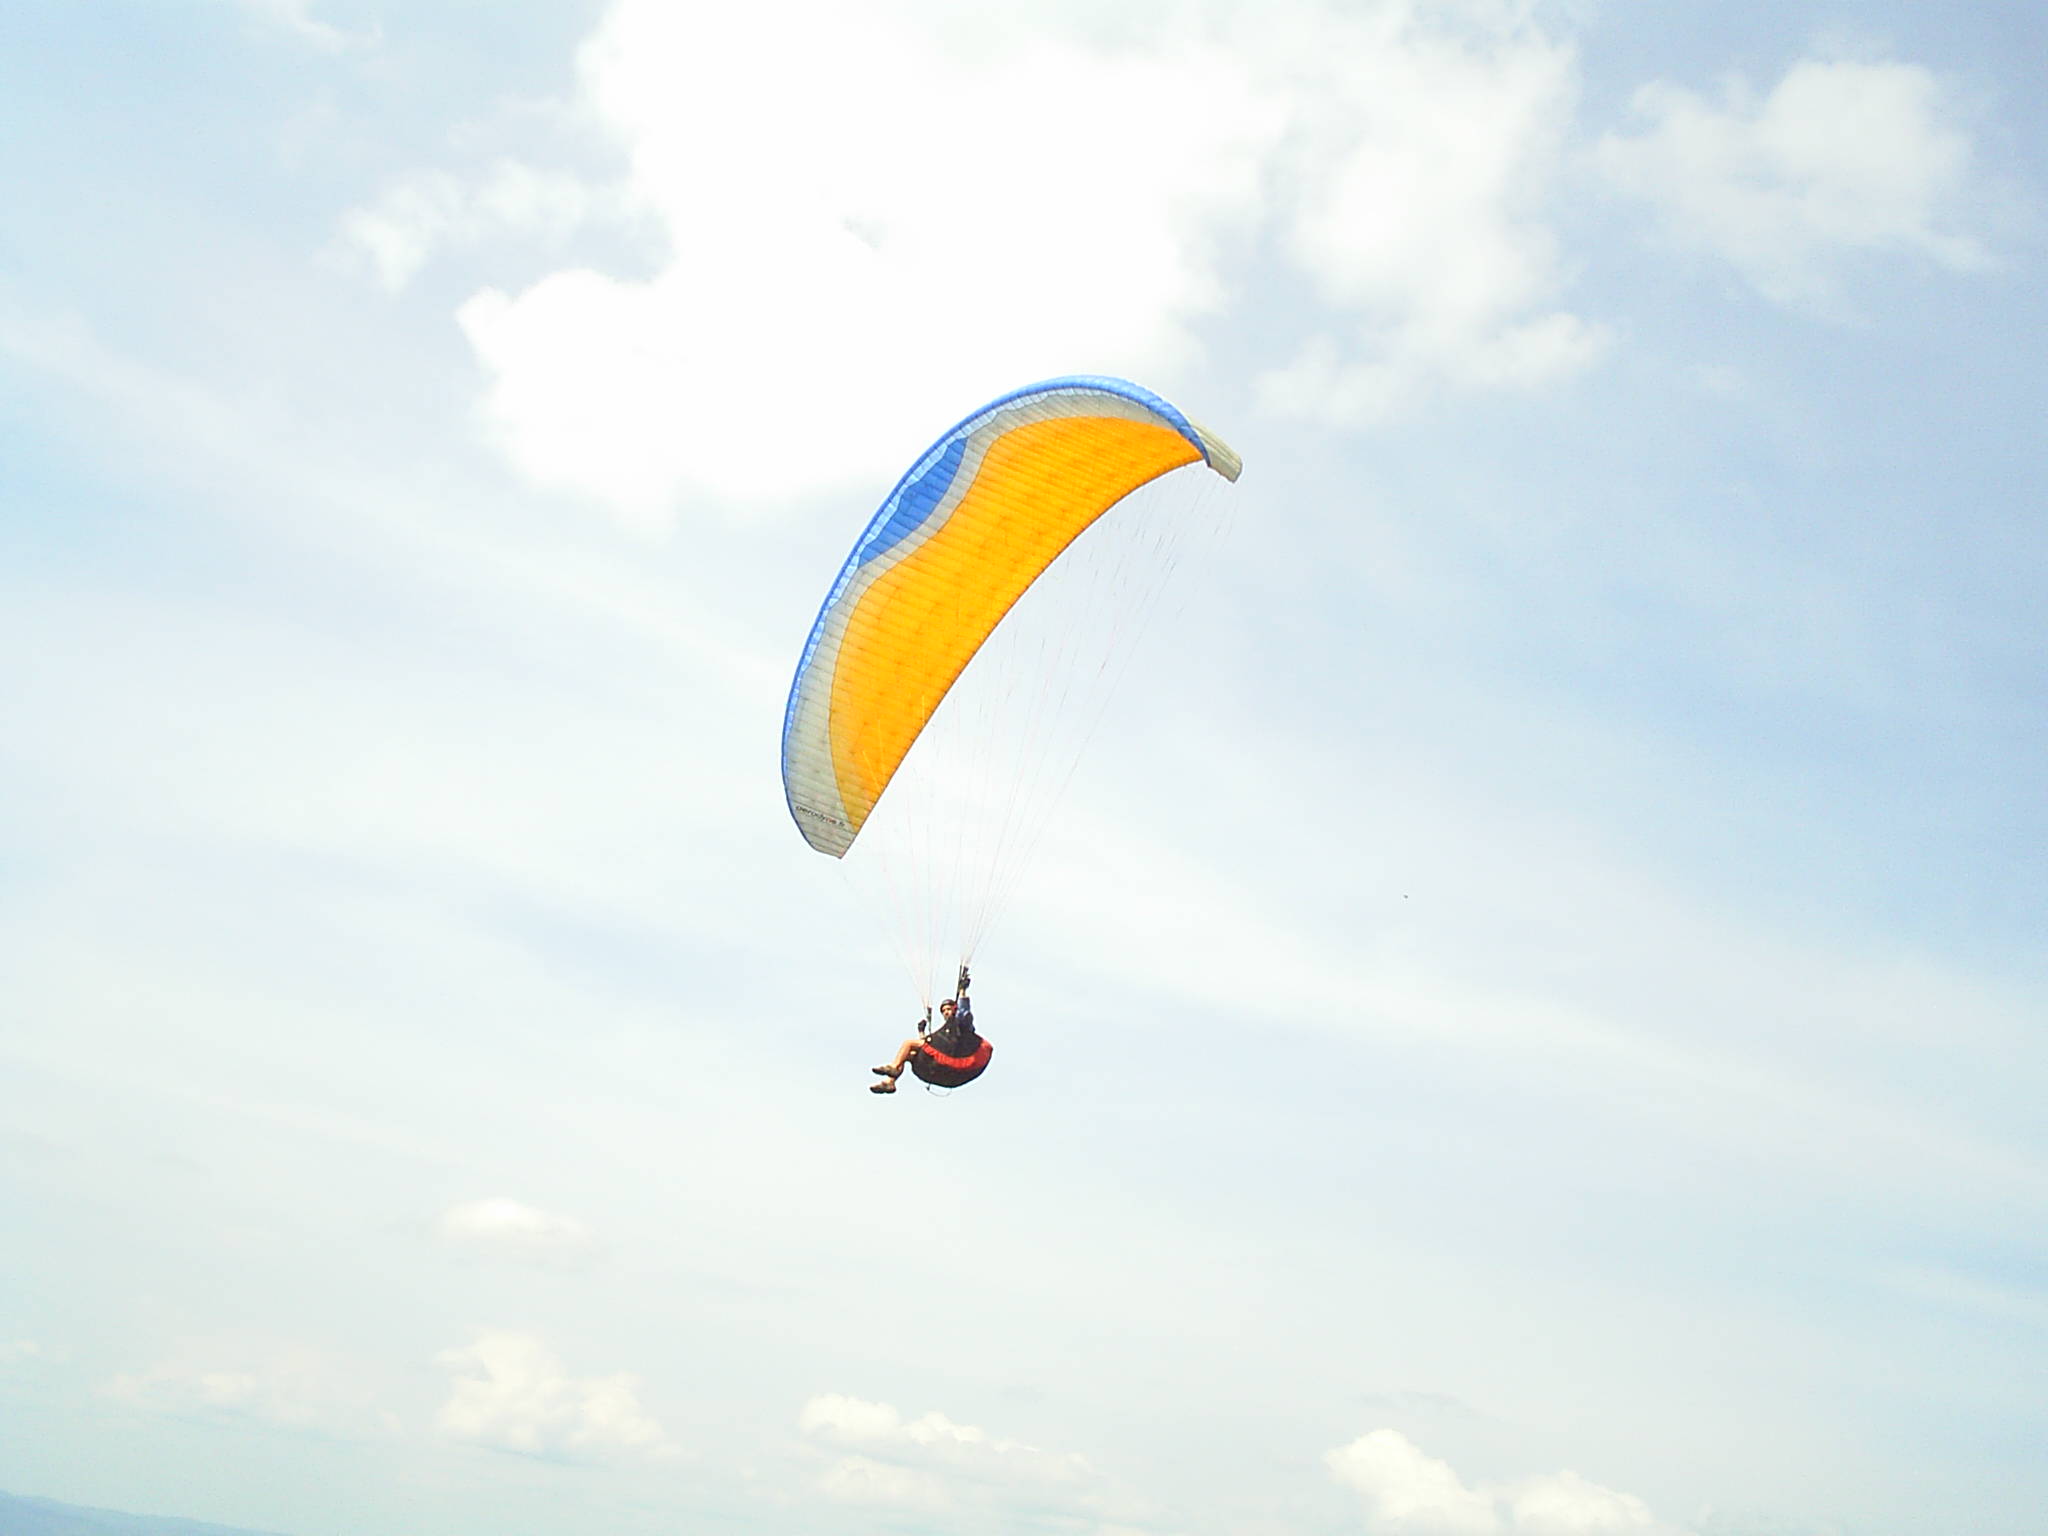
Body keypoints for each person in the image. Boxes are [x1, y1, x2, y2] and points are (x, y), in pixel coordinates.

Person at [871, 966, 992, 1094]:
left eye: (948, 1009)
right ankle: (890, 1083)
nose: (946, 1012)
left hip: (961, 1057)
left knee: (908, 1043)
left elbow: (964, 1012)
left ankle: (894, 1067)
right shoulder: (944, 1036)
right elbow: (926, 1048)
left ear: (954, 1009)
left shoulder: (962, 1024)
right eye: (944, 1011)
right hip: (942, 1068)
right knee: (909, 1054)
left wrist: (962, 991)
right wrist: (921, 1032)